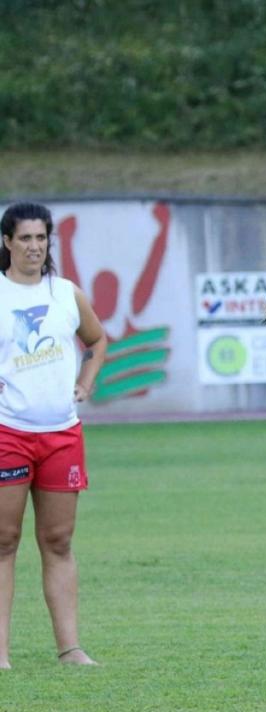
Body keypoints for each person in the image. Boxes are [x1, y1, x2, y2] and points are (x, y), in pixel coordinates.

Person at [0, 202, 107, 670]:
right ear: (7, 242)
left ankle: (70, 649)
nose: (34, 247)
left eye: (41, 238)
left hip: (62, 435)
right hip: (8, 432)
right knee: (4, 540)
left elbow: (98, 340)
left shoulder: (66, 294)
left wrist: (86, 382)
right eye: (24, 238)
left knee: (59, 541)